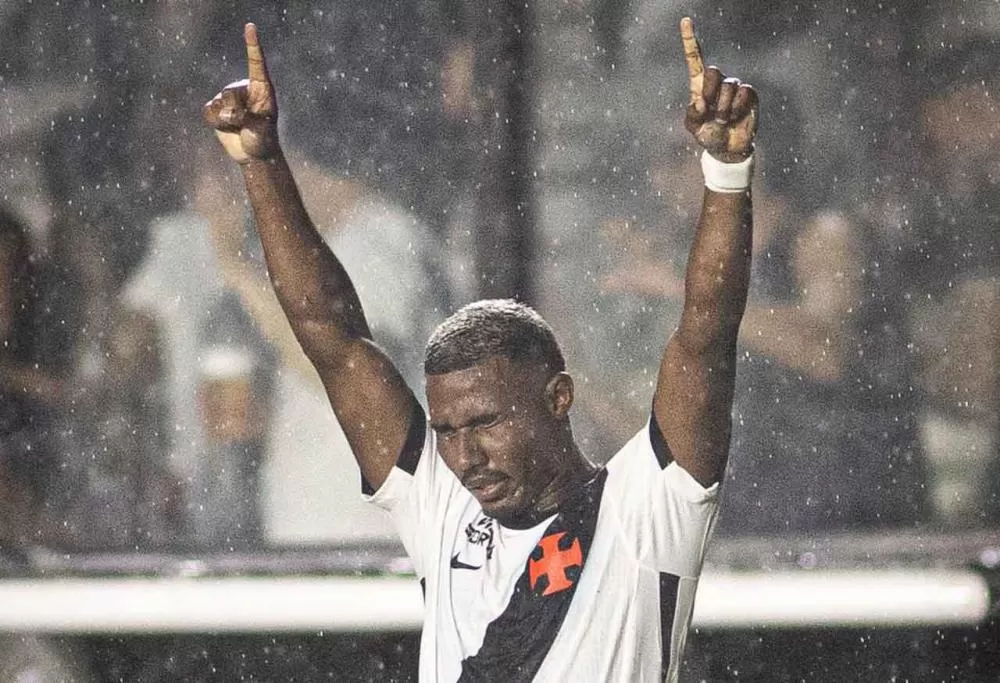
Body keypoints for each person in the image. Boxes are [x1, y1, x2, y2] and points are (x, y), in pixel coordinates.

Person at [203, 17, 757, 682]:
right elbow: (336, 341)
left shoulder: (647, 508)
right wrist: (261, 163)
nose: (465, 455)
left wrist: (726, 172)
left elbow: (705, 334)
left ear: (558, 397)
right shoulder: (444, 508)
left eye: (486, 423)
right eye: (448, 430)